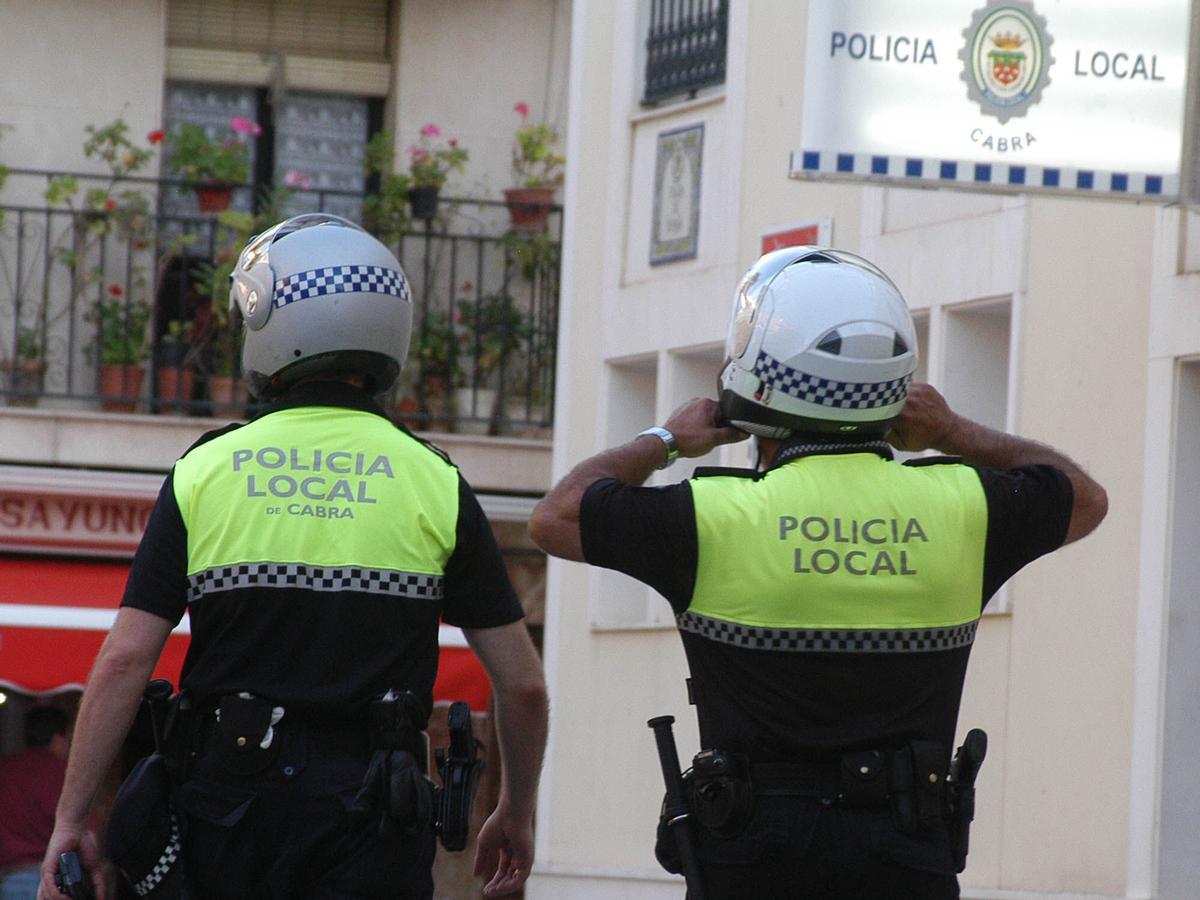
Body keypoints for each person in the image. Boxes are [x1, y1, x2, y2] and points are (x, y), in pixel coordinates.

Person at [528, 246, 1108, 898]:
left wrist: (665, 439)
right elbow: (1083, 497)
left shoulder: (710, 515)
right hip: (907, 852)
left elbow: (556, 517)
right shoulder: (965, 507)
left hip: (751, 856)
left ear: (752, 384)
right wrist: (953, 431)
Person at [39, 214, 548, 900]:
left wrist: (71, 821)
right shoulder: (435, 481)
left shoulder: (206, 471)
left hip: (227, 814)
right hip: (377, 822)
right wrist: (515, 810)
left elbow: (127, 659)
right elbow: (521, 686)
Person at [0, 708, 71, 900]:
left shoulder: (5, 769)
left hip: (7, 879)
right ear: (58, 736)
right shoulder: (61, 773)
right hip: (49, 881)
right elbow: (84, 829)